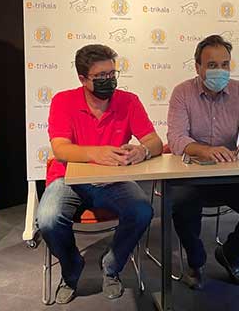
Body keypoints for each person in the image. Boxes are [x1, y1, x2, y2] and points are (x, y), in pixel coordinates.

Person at [36, 44, 162, 303]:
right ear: (83, 79)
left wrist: (143, 151)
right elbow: (60, 149)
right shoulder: (63, 101)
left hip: (113, 180)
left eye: (112, 74)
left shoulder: (128, 101)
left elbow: (155, 142)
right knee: (47, 220)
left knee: (142, 211)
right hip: (67, 180)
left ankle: (111, 266)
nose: (109, 80)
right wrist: (96, 153)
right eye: (101, 76)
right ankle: (72, 269)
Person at [167, 34, 239, 289]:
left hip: (229, 175)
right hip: (191, 176)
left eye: (225, 64)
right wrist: (205, 151)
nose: (220, 70)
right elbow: (176, 138)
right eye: (212, 65)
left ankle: (231, 255)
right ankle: (195, 262)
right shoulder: (182, 92)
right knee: (182, 205)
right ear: (198, 67)